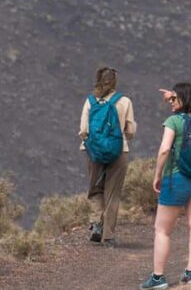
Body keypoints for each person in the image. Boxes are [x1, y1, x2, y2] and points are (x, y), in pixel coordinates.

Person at [140, 82, 191, 289]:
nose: (171, 102)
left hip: (177, 179)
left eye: (174, 99)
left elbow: (164, 150)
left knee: (162, 230)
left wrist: (157, 175)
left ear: (181, 100)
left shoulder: (173, 121)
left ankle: (158, 277)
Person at [78, 66, 136, 247]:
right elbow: (131, 130)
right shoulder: (125, 101)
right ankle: (108, 236)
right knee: (113, 193)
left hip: (93, 152)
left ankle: (96, 223)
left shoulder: (90, 101)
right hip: (119, 151)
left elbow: (83, 130)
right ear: (115, 82)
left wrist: (94, 143)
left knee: (95, 189)